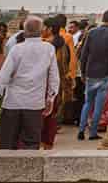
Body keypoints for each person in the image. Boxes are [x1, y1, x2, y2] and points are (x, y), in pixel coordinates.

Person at [0, 14, 58, 150]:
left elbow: (4, 76)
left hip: (12, 103)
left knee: (7, 143)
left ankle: (7, 170)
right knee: (32, 144)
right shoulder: (49, 49)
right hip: (34, 103)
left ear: (25, 31)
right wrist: (51, 98)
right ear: (41, 30)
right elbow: (53, 77)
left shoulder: (17, 49)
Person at [77, 9, 108, 141]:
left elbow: (84, 55)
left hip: (90, 73)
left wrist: (83, 72)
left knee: (88, 103)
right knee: (99, 105)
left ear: (102, 18)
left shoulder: (91, 32)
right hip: (105, 74)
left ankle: (81, 130)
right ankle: (93, 132)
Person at [40, 16, 71, 149]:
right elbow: (66, 64)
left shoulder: (45, 45)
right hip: (57, 83)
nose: (42, 30)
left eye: (44, 27)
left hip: (43, 84)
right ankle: (48, 143)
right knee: (51, 115)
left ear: (50, 29)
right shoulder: (62, 44)